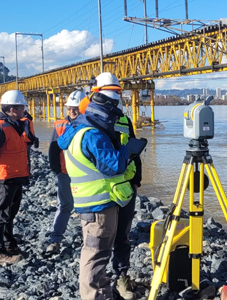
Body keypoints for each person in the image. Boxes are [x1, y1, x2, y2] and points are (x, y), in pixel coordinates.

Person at [58, 88, 136, 300]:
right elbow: (116, 165)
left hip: (88, 202)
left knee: (96, 254)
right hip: (100, 205)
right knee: (95, 255)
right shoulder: (93, 135)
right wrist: (123, 147)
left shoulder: (77, 130)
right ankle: (94, 295)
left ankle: (102, 292)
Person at [83, 72, 142, 299]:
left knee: (122, 236)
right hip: (104, 190)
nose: (115, 99)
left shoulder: (124, 121)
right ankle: (99, 283)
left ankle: (121, 277)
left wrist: (136, 181)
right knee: (101, 241)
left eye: (117, 94)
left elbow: (134, 152)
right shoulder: (91, 121)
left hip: (126, 187)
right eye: (113, 94)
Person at [0, 90, 30, 265]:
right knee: (1, 214)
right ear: (11, 109)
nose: (24, 110)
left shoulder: (15, 125)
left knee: (10, 214)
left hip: (16, 176)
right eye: (21, 107)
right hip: (4, 177)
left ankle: (10, 245)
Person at [45, 90, 85, 254]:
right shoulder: (60, 125)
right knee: (64, 206)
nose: (72, 111)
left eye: (75, 108)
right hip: (66, 173)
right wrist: (57, 170)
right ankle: (55, 239)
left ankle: (88, 239)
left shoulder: (89, 124)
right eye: (70, 108)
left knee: (86, 207)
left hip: (84, 175)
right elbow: (53, 150)